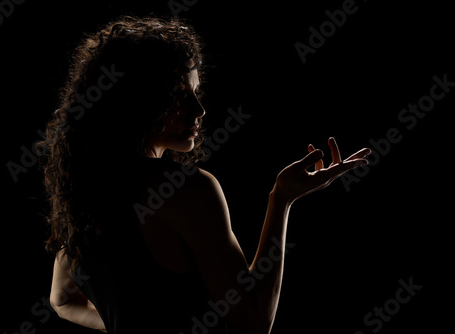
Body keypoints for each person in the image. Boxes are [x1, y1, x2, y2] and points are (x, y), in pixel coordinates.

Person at [39, 16, 371, 334]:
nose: (198, 110)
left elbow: (61, 300)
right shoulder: (186, 189)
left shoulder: (81, 195)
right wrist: (281, 198)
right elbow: (253, 323)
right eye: (179, 95)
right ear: (138, 101)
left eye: (196, 92)